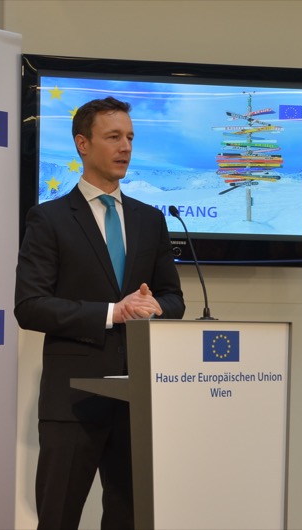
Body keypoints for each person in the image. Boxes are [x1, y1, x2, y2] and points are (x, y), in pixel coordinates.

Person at [14, 96, 185, 530]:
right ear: (83, 144)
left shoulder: (150, 220)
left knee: (130, 519)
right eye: (113, 137)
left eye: (130, 137)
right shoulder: (49, 219)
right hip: (73, 401)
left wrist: (155, 307)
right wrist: (113, 312)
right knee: (58, 519)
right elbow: (30, 305)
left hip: (138, 399)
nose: (125, 147)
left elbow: (173, 298)